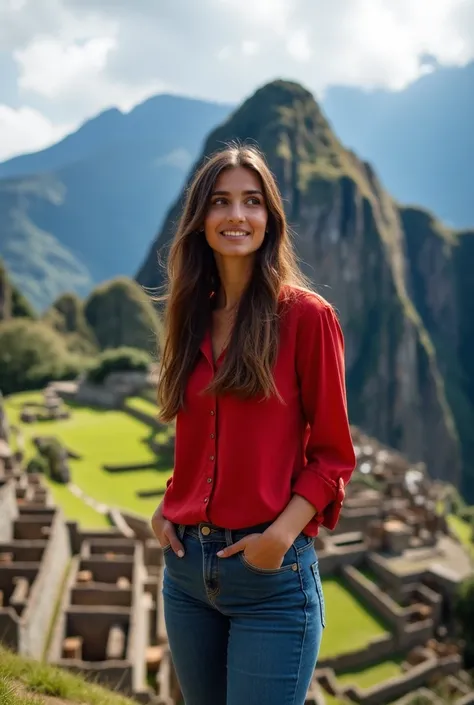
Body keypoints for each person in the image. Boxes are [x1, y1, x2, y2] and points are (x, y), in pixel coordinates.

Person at [151, 143, 356, 705]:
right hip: (187, 574)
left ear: (271, 218)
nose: (236, 215)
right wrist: (171, 501)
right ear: (201, 219)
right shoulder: (191, 314)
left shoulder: (308, 319)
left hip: (271, 578)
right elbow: (194, 432)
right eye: (221, 201)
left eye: (252, 201)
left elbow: (335, 454)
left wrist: (281, 536)